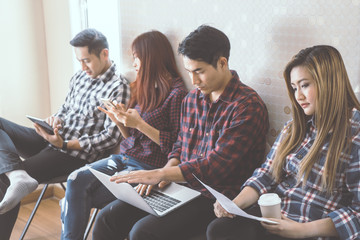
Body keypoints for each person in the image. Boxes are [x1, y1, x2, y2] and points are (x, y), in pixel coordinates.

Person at [93, 25, 269, 240]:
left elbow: (216, 166)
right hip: (180, 186)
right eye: (189, 72)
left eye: (199, 71)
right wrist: (166, 171)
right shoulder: (192, 99)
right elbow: (180, 146)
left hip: (215, 197)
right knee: (107, 217)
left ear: (222, 63)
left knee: (143, 232)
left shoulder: (247, 105)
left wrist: (161, 173)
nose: (193, 81)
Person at [207, 45, 360, 240]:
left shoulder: (354, 134)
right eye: (294, 88)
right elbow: (266, 174)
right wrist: (235, 204)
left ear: (329, 82)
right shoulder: (295, 127)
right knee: (218, 230)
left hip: (312, 228)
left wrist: (304, 230)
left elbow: (357, 213)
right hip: (274, 217)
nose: (298, 96)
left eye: (304, 85)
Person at [60, 30, 188, 240]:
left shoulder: (177, 94)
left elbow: (176, 146)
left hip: (149, 167)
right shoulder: (144, 87)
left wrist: (140, 124)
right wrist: (119, 121)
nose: (134, 63)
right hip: (124, 158)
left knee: (79, 198)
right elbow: (131, 137)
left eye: (136, 57)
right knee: (75, 179)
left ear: (150, 57)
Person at [0, 28, 129, 224]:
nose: (83, 66)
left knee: (3, 181)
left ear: (104, 54)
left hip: (72, 154)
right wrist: (55, 120)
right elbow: (65, 109)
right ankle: (17, 174)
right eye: (80, 61)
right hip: (52, 139)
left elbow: (110, 137)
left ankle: (15, 179)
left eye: (87, 60)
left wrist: (65, 144)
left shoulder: (118, 87)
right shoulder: (79, 78)